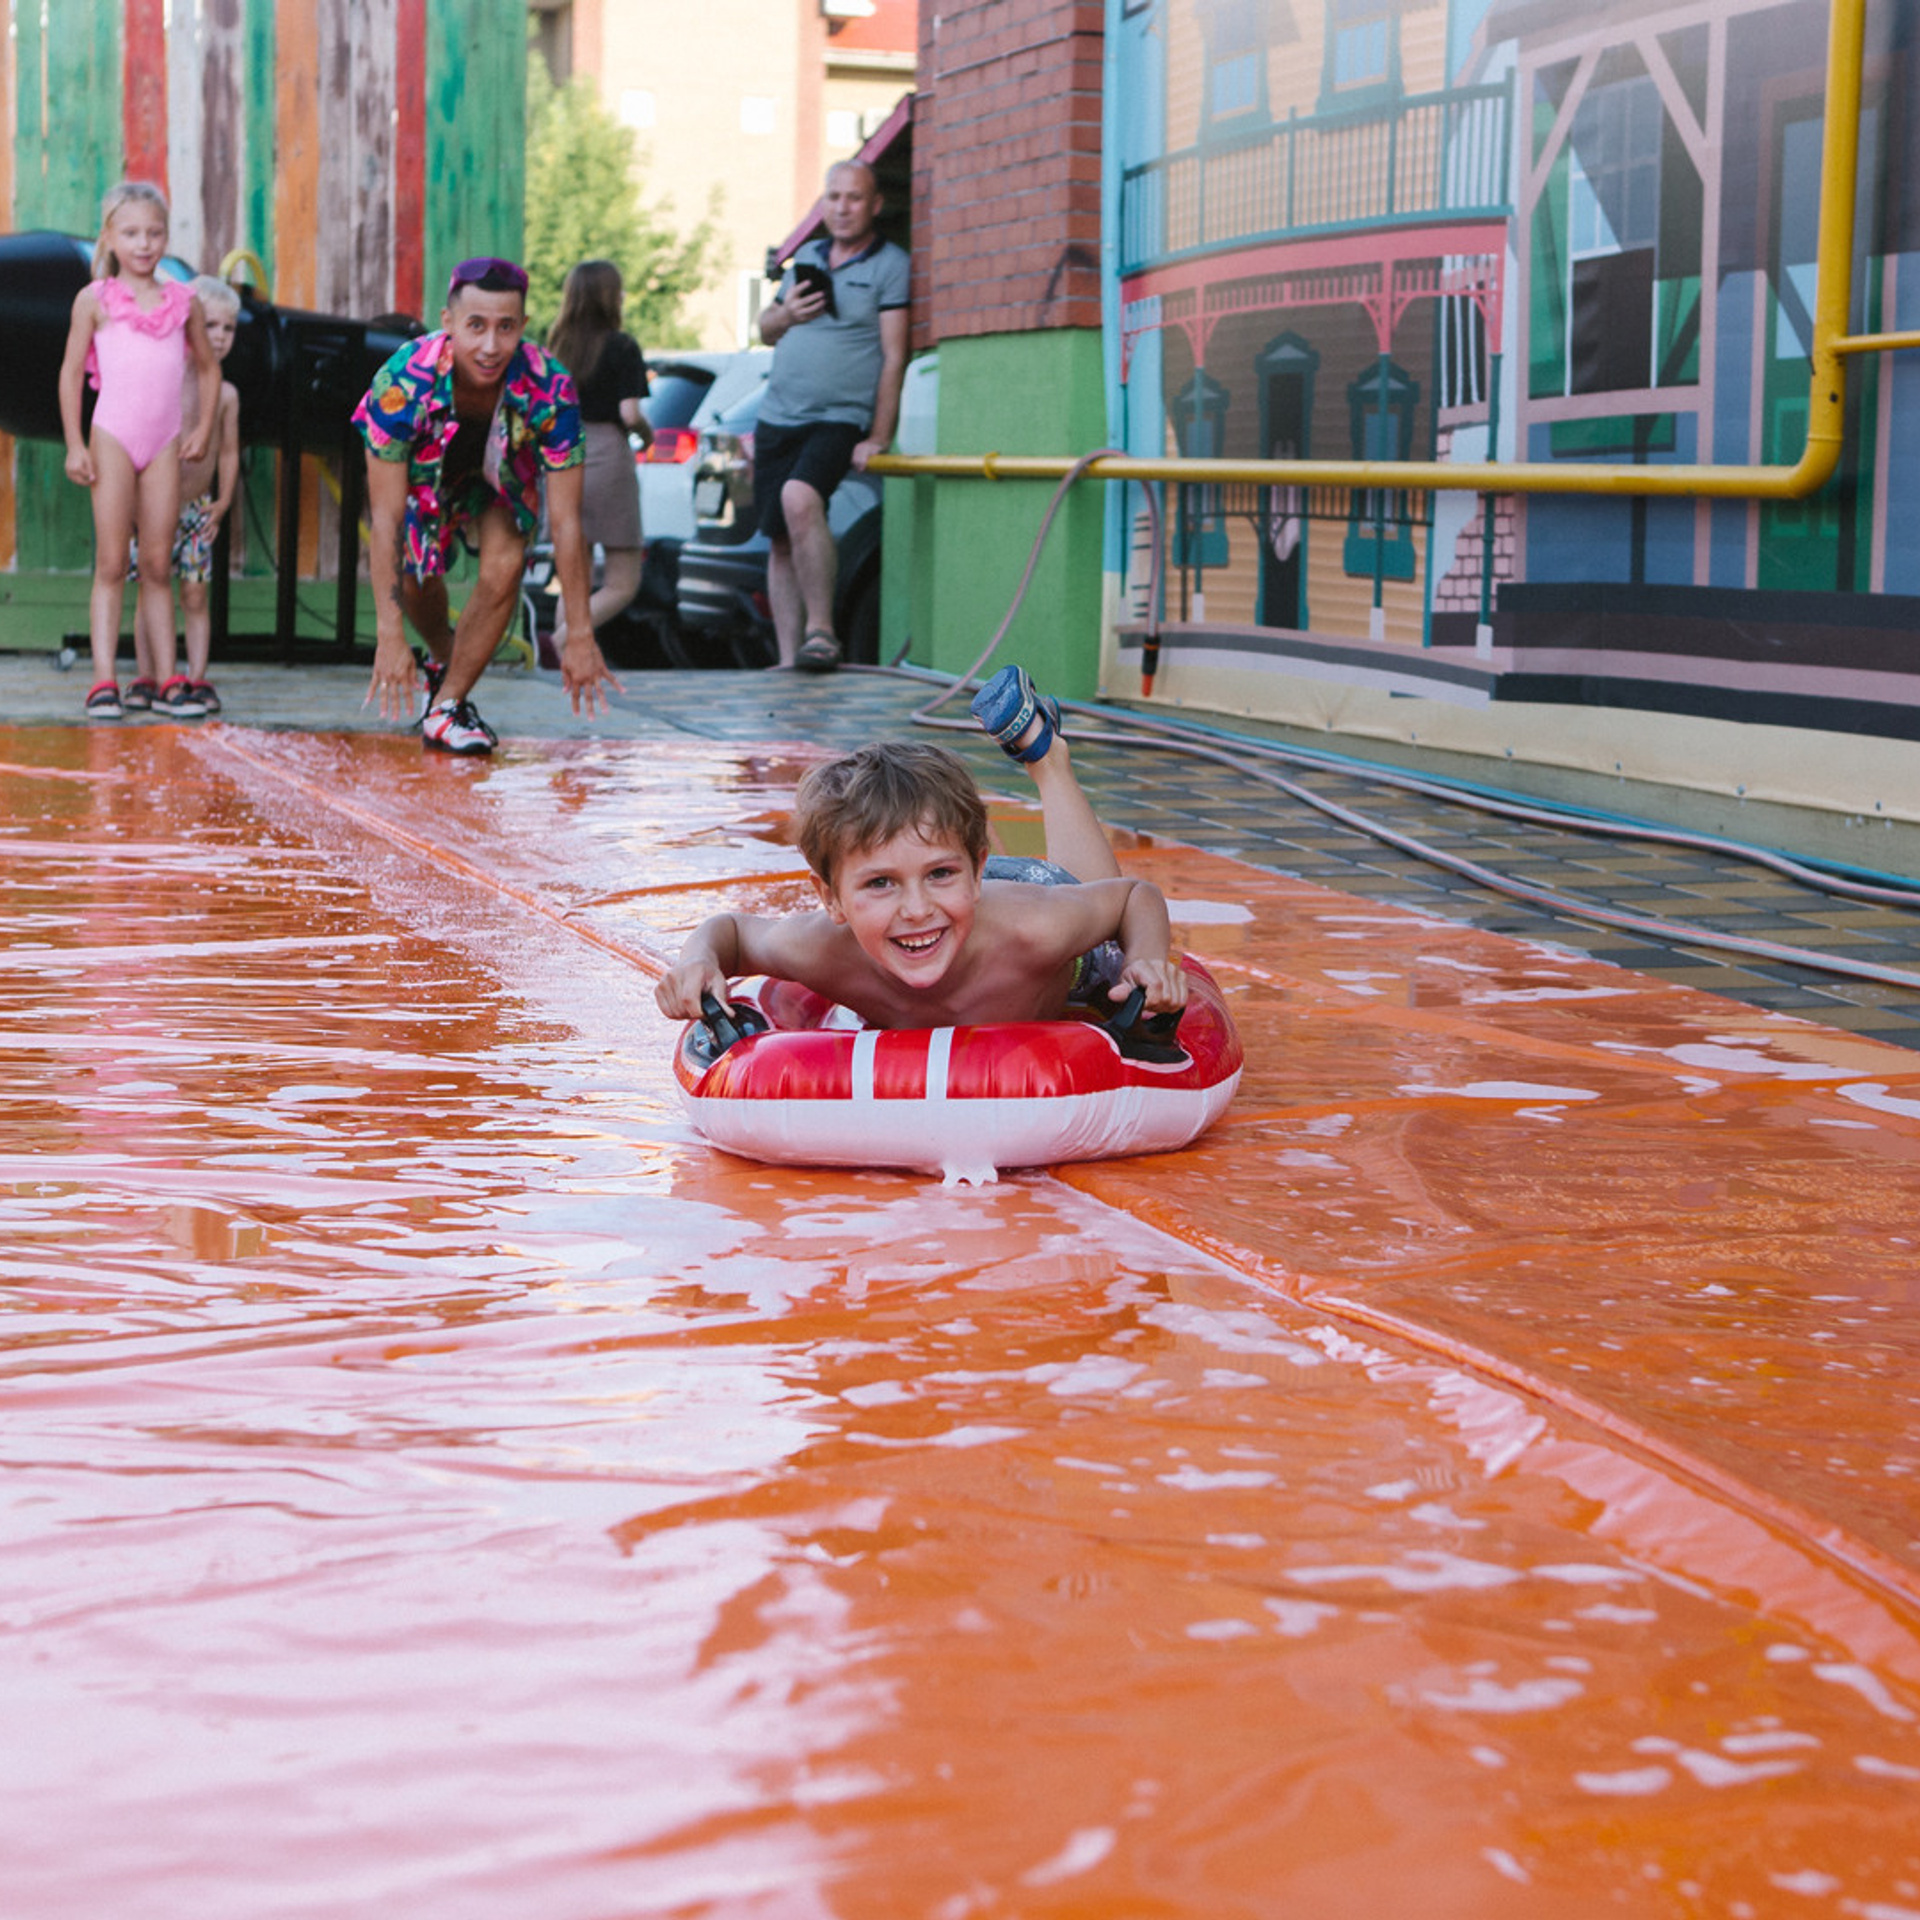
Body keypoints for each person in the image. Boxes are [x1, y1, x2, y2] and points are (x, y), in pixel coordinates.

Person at [655, 665, 1189, 1031]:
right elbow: (729, 929)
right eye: (879, 883)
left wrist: (1144, 962)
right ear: (831, 899)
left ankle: (1047, 759)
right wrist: (697, 962)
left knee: (1093, 923)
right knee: (929, 880)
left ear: (976, 872)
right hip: (960, 891)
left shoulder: (1036, 930)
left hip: (1031, 912)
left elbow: (1130, 897)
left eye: (937, 875)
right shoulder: (819, 948)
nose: (915, 910)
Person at [353, 256, 619, 756]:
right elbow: (386, 519)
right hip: (422, 479)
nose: (491, 346)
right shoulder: (400, 384)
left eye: (506, 327)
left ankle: (448, 704)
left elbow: (566, 521)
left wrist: (580, 631)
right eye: (475, 326)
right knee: (415, 573)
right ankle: (443, 659)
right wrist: (389, 635)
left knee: (507, 561)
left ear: (522, 326)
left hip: (500, 481)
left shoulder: (550, 386)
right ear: (448, 321)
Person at [57, 181, 222, 721]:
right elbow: (69, 374)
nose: (144, 244)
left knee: (156, 563)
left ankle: (169, 678)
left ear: (166, 237)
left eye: (154, 233)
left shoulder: (183, 301)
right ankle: (104, 680)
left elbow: (207, 366)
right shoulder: (95, 300)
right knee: (111, 562)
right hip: (111, 438)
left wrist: (201, 427)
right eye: (131, 233)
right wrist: (75, 443)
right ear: (109, 237)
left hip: (165, 443)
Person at [754, 160, 910, 673]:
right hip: (779, 415)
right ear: (824, 203)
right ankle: (785, 657)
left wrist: (878, 435)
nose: (842, 208)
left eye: (854, 198)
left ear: (874, 205)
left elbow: (893, 355)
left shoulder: (890, 265)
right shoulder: (807, 257)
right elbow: (767, 329)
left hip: (838, 417)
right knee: (778, 537)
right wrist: (787, 314)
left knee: (800, 499)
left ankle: (822, 632)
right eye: (834, 197)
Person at [130, 274, 242, 716]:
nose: (218, 337)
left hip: (198, 511)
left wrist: (224, 500)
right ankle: (148, 674)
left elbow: (229, 452)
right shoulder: (167, 379)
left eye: (228, 328)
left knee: (195, 595)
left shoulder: (227, 395)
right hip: (153, 507)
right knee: (149, 589)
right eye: (210, 325)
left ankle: (196, 675)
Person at [545, 259, 654, 658]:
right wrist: (648, 435)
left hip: (562, 456)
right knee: (623, 582)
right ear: (609, 296)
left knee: (575, 574)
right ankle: (562, 643)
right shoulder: (621, 346)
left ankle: (564, 662)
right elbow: (629, 414)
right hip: (607, 454)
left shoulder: (555, 346)